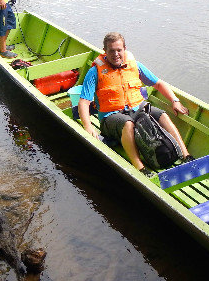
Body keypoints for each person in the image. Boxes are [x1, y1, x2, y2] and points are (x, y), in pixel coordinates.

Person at [78, 32, 194, 176]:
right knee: (127, 124)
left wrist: (174, 101)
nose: (116, 54)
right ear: (105, 51)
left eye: (119, 50)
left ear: (124, 49)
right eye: (111, 51)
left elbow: (158, 83)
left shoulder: (134, 66)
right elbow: (84, 101)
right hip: (111, 116)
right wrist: (88, 126)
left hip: (136, 108)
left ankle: (186, 155)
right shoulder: (95, 72)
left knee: (162, 115)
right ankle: (140, 167)